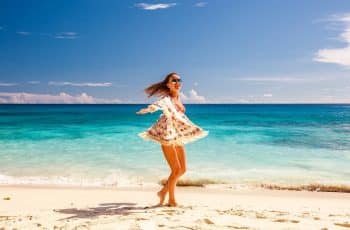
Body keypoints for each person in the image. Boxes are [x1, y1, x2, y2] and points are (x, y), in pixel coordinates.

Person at [136, 72, 208, 207]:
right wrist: (149, 109)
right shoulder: (167, 99)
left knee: (183, 170)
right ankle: (171, 200)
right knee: (176, 170)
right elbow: (159, 104)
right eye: (174, 80)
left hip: (176, 137)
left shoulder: (178, 97)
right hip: (167, 137)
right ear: (168, 84)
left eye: (179, 80)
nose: (177, 82)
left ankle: (163, 192)